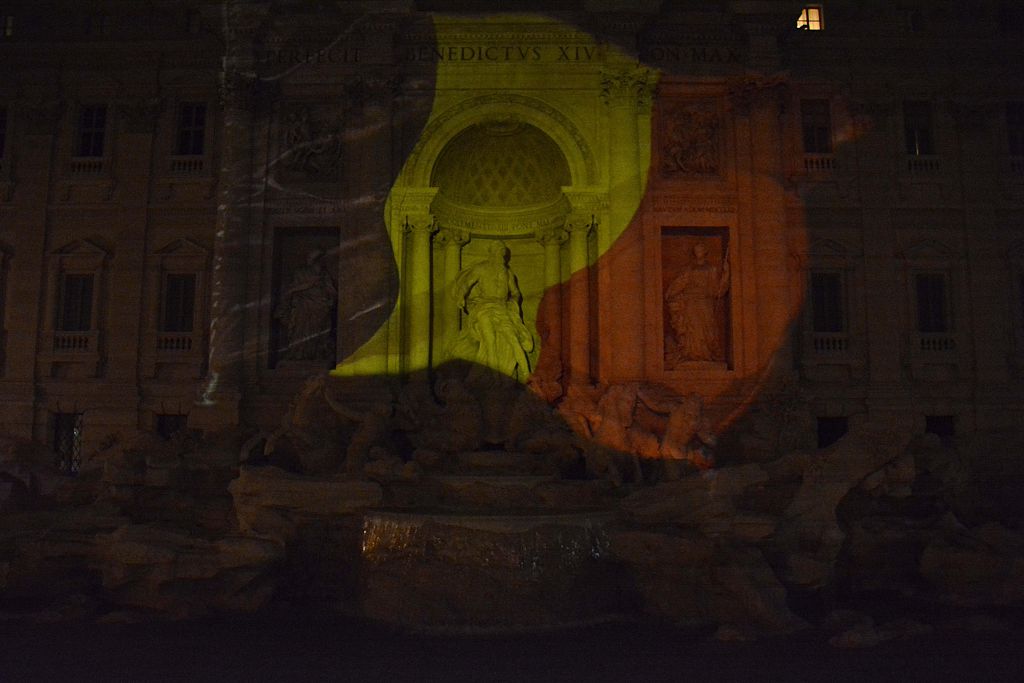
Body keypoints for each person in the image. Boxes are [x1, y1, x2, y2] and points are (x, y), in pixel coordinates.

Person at [449, 240, 534, 380]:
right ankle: (496, 378)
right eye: (499, 253)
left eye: (503, 254)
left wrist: (513, 302)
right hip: (484, 307)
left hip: (502, 308)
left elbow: (515, 292)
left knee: (513, 340)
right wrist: (460, 297)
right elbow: (466, 284)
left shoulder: (507, 273)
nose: (502, 256)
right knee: (490, 342)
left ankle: (527, 374)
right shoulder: (481, 269)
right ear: (492, 253)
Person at [665, 241, 729, 364]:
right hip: (691, 301)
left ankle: (706, 354)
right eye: (696, 250)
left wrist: (726, 273)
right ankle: (691, 354)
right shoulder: (689, 268)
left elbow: (717, 289)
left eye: (700, 249)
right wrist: (671, 292)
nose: (698, 252)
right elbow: (681, 282)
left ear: (705, 252)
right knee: (692, 328)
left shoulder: (711, 269)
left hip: (705, 302)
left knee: (707, 328)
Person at [275, 250, 337, 361]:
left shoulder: (324, 274)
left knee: (318, 332)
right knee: (300, 331)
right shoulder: (300, 272)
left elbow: (331, 290)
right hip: (303, 306)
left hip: (320, 306)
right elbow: (293, 288)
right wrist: (308, 285)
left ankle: (316, 353)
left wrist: (330, 299)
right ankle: (298, 353)